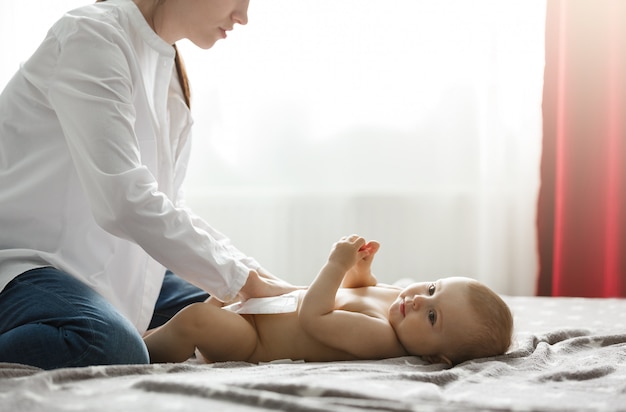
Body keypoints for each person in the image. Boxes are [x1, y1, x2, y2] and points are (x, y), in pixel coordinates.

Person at [0, 0, 296, 370]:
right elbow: (123, 201)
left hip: (116, 264)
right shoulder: (91, 35)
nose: (243, 16)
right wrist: (243, 278)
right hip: (28, 264)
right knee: (106, 344)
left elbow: (168, 204)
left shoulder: (167, 67)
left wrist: (260, 278)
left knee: (245, 316)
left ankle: (133, 332)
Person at [144, 235, 514, 366]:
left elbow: (315, 317)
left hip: (253, 341)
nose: (418, 301)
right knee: (231, 280)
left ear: (435, 357)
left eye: (433, 317)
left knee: (197, 319)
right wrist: (360, 270)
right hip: (266, 307)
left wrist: (336, 265)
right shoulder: (397, 303)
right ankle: (149, 333)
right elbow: (357, 291)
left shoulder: (382, 338)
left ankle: (139, 352)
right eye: (432, 289)